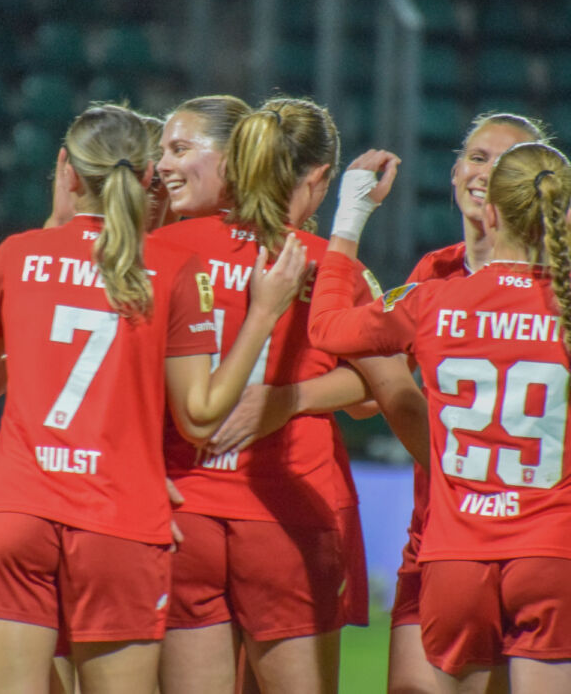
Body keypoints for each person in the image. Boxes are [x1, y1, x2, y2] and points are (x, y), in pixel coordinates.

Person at [0, 103, 308, 694]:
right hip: (117, 521)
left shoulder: (16, 253)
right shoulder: (174, 267)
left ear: (67, 171)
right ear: (148, 176)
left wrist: (41, 350)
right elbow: (199, 418)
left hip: (15, 512)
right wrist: (265, 313)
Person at [309, 141, 571, 694]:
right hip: (562, 554)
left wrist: (350, 216)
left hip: (456, 560)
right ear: (565, 213)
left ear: (490, 211)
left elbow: (325, 329)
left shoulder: (432, 300)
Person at [153, 97, 428, 694]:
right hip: (288, 512)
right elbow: (380, 392)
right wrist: (293, 398)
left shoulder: (167, 248)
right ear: (320, 177)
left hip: (184, 508)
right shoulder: (330, 268)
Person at [337, 113, 552, 694]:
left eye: (504, 163)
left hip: (520, 541)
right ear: (455, 171)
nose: (485, 173)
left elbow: (380, 381)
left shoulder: (551, 289)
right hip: (436, 534)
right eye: (477, 157)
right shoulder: (434, 273)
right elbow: (367, 399)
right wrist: (290, 398)